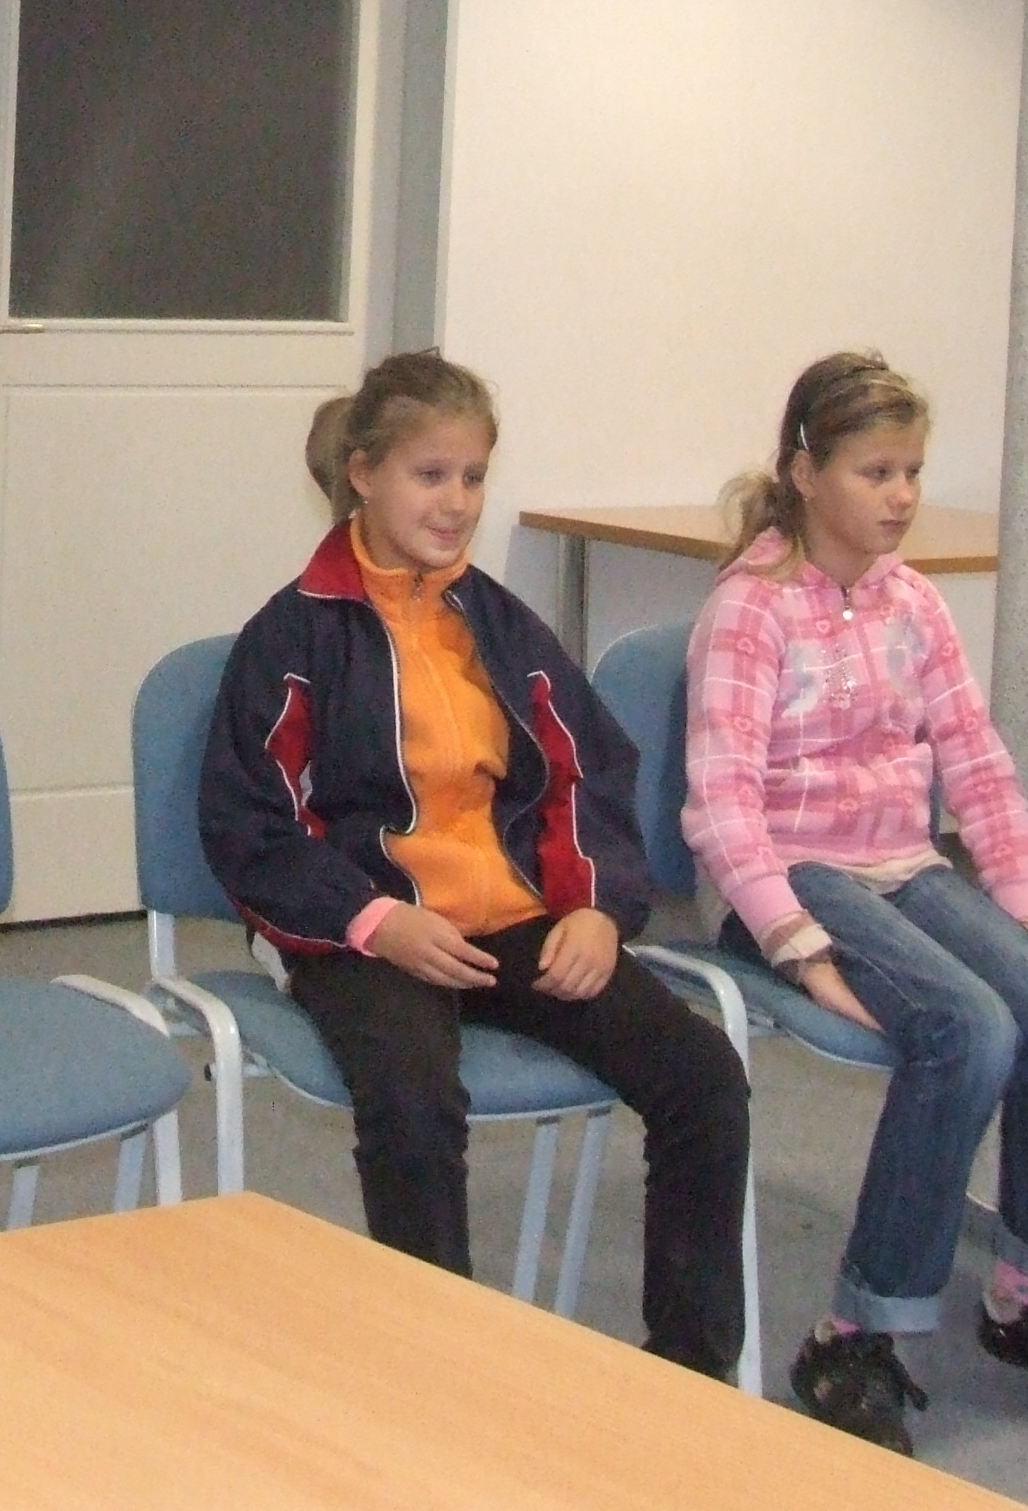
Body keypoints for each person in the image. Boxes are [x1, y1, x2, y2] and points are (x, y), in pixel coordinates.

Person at [199, 351, 751, 1379]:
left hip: (514, 919)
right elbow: (250, 825)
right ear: (363, 473)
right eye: (429, 475)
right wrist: (374, 923)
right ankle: (440, 1381)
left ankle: (692, 1372)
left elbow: (588, 771)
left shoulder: (501, 625)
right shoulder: (292, 635)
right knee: (413, 1106)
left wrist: (595, 909)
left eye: (472, 477)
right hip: (367, 932)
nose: (454, 502)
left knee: (703, 1077)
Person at [684, 351, 1028, 1454]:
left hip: (901, 861)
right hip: (786, 872)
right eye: (874, 472)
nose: (899, 497)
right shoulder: (750, 608)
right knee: (968, 1030)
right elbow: (719, 802)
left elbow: (976, 763)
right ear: (805, 473)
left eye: (911, 473)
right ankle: (854, 1335)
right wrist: (793, 942)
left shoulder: (913, 602)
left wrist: (1025, 904)